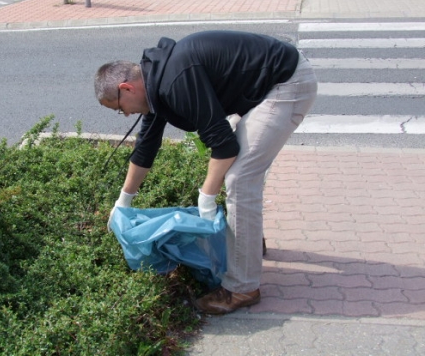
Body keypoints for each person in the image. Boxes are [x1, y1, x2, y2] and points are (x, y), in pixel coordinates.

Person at [94, 30, 317, 315]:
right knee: (234, 170)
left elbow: (224, 145)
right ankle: (247, 242)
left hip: (286, 82)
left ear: (126, 88)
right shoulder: (155, 80)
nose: (125, 115)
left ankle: (242, 288)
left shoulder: (174, 81)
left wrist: (206, 197)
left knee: (239, 178)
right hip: (262, 85)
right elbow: (146, 146)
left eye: (119, 108)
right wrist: (123, 201)